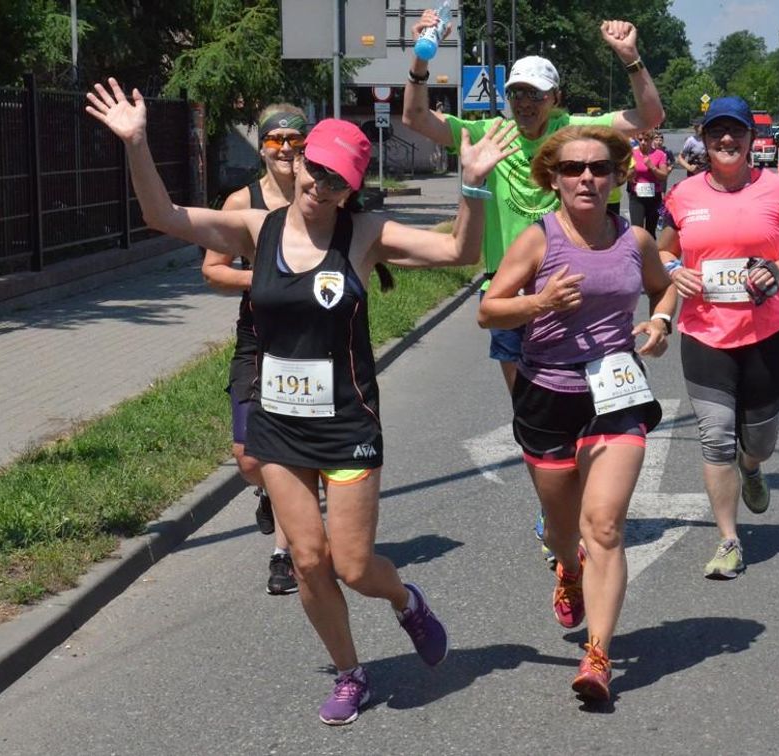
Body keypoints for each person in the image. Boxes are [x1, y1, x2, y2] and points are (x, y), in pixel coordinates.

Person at [86, 77, 519, 725]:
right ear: (298, 164)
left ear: (352, 187)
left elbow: (459, 250)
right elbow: (163, 217)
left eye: (336, 181)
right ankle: (351, 673)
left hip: (347, 424)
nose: (321, 186)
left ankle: (406, 602)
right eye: (314, 171)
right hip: (278, 424)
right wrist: (136, 143)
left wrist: (475, 182)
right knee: (308, 561)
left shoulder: (365, 233)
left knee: (352, 564)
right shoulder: (254, 229)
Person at [403, 12, 665, 565]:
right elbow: (415, 116)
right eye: (517, 92)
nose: (525, 103)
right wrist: (423, 59)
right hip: (510, 297)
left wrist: (630, 58)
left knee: (587, 409)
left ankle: (583, 515)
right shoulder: (484, 133)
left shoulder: (576, 132)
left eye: (536, 94)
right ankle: (557, 514)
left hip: (577, 295)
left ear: (555, 98)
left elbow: (649, 116)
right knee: (535, 417)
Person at [478, 126, 677, 702]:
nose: (586, 177)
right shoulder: (538, 241)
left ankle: (599, 656)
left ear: (618, 175)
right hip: (546, 395)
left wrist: (661, 323)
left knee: (606, 526)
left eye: (597, 168)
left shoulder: (634, 239)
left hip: (615, 394)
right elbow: (489, 312)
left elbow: (664, 289)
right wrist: (538, 303)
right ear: (554, 179)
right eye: (572, 169)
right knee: (565, 530)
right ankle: (568, 568)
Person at [656, 95, 779, 579]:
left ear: (751, 139)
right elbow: (662, 252)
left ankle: (753, 467)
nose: (726, 140)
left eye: (737, 132)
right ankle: (728, 538)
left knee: (760, 442)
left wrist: (777, 267)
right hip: (705, 335)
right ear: (704, 138)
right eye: (716, 133)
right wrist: (673, 271)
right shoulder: (682, 196)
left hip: (766, 333)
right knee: (715, 438)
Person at [201, 103, 306, 596]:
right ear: (263, 146)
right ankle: (266, 491)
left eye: (294, 139)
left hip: (308, 341)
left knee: (286, 450)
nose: (286, 149)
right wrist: (263, 279)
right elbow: (213, 269)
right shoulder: (239, 202)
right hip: (256, 338)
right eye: (276, 140)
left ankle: (283, 555)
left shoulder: (321, 194)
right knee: (248, 459)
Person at [626, 129, 670, 235]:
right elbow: (625, 175)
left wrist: (652, 167)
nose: (643, 142)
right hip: (636, 196)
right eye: (640, 139)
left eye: (646, 140)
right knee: (637, 230)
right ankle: (638, 251)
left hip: (654, 197)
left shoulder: (660, 154)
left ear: (651, 140)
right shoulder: (632, 154)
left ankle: (650, 251)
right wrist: (630, 175)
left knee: (650, 231)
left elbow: (664, 176)